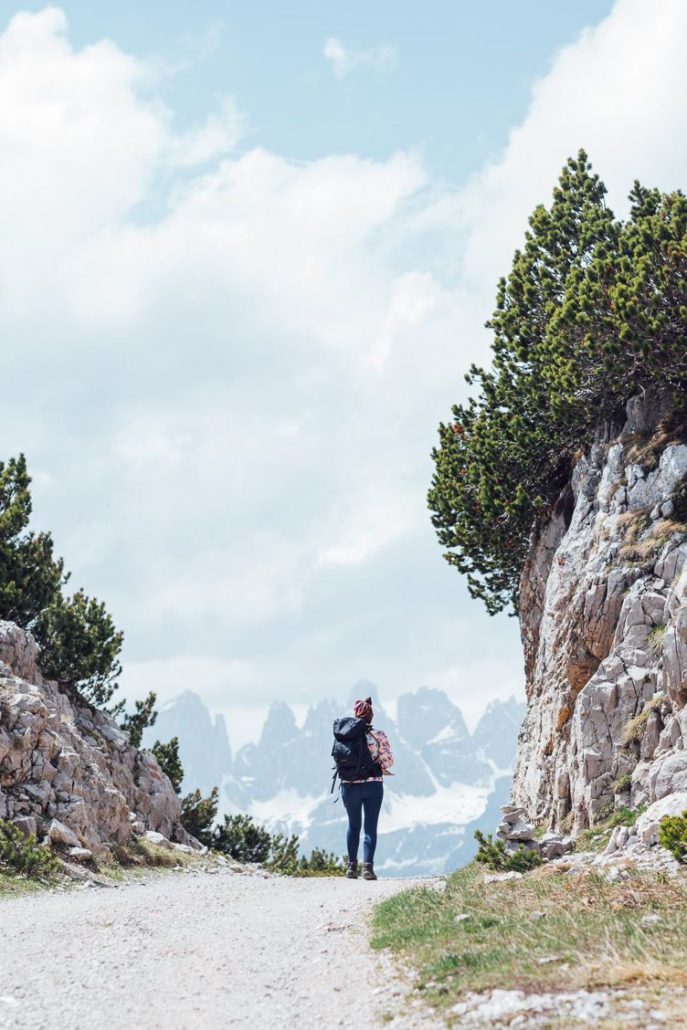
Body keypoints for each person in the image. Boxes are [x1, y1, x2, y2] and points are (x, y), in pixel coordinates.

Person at [337, 696, 394, 881]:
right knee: (370, 827)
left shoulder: (344, 736)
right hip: (373, 786)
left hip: (349, 786)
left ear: (355, 714)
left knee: (353, 826)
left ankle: (351, 867)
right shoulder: (379, 736)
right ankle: (367, 868)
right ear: (371, 717)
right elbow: (389, 761)